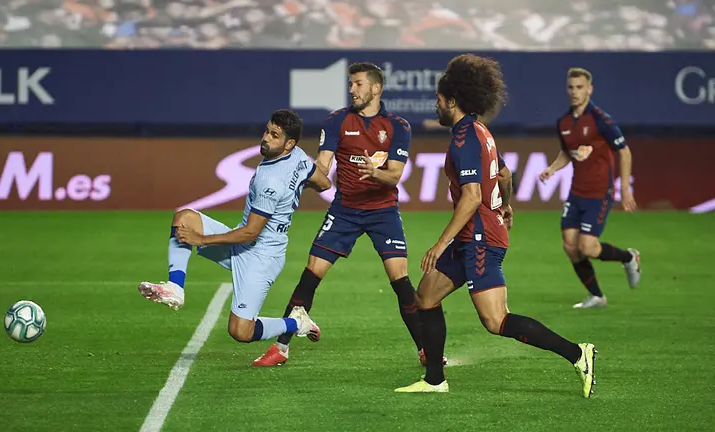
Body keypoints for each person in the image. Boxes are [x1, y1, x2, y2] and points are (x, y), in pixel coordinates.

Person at [395, 54, 596, 398]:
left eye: (439, 101)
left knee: (495, 320)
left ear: (453, 101)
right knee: (426, 296)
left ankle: (578, 354)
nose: (436, 106)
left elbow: (471, 197)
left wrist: (439, 244)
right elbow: (504, 173)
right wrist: (507, 203)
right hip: (473, 234)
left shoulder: (463, 139)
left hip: (480, 238)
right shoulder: (480, 131)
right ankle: (434, 380)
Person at [253, 62, 443, 367]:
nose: (352, 89)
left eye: (357, 84)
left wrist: (374, 173)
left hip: (383, 212)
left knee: (400, 278)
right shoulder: (337, 121)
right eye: (350, 84)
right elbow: (324, 169)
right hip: (345, 210)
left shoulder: (398, 127)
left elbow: (394, 176)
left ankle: (425, 349)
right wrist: (303, 174)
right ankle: (281, 348)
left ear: (376, 88)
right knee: (311, 272)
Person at [138, 109, 332, 345]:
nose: (266, 138)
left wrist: (201, 239)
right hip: (244, 243)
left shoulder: (269, 181)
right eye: (267, 131)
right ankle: (175, 287)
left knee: (241, 332)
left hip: (262, 257)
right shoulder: (299, 157)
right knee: (184, 217)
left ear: (289, 143)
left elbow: (252, 232)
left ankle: (297, 322)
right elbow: (324, 183)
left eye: (274, 135)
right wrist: (297, 187)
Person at [539, 67, 641, 309]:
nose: (575, 92)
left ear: (589, 89)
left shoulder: (600, 120)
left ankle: (629, 257)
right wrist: (553, 168)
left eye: (580, 87)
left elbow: (624, 151)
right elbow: (568, 151)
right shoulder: (563, 122)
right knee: (570, 246)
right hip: (576, 193)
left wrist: (625, 189)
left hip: (599, 192)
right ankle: (596, 296)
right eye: (571, 87)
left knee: (588, 247)